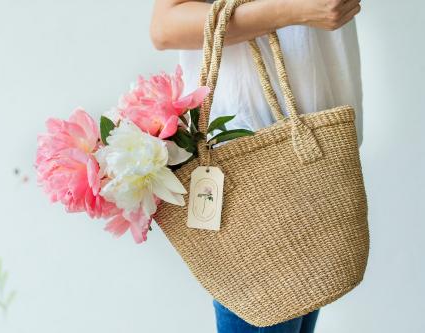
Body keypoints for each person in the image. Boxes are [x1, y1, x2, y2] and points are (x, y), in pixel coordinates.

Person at [150, 0, 363, 332]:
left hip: (316, 137)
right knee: (262, 307)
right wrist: (296, 11)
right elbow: (165, 26)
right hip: (249, 147)